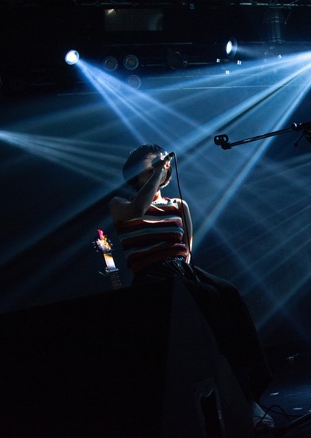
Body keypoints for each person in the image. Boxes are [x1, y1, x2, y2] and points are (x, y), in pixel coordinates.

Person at [109, 144, 273, 430]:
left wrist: (184, 272)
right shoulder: (120, 204)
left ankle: (248, 390)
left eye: (161, 164)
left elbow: (186, 250)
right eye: (151, 164)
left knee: (228, 294)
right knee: (207, 298)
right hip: (151, 276)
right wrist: (157, 170)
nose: (159, 166)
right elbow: (138, 208)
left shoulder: (178, 206)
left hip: (180, 269)